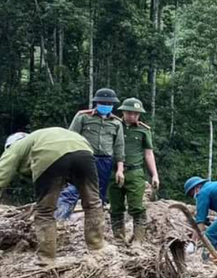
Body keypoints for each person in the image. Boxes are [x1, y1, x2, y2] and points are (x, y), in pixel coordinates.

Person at [0, 128, 104, 262]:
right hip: (84, 150)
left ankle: (47, 259)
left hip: (50, 155)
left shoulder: (15, 147)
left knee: (45, 212)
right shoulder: (40, 137)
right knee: (93, 203)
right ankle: (98, 249)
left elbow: (1, 175)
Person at [56, 88, 125, 220]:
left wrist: (120, 169)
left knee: (97, 196)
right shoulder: (83, 117)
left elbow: (119, 147)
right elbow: (70, 138)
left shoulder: (116, 123)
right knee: (72, 190)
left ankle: (94, 227)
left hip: (105, 161)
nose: (105, 106)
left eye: (108, 104)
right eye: (102, 103)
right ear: (96, 103)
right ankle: (59, 220)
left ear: (113, 105)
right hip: (84, 158)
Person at [108, 98, 159, 244]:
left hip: (135, 172)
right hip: (114, 172)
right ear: (123, 112)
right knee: (116, 207)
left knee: (137, 207)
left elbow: (148, 153)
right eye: (130, 113)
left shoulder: (143, 130)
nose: (133, 116)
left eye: (136, 114)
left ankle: (138, 240)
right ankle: (119, 239)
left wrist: (154, 174)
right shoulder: (114, 125)